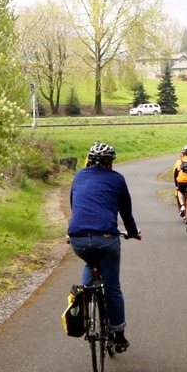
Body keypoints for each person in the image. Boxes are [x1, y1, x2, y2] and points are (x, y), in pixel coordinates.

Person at [68, 142, 142, 351]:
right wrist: (134, 233)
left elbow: (77, 206)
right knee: (112, 287)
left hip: (78, 238)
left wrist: (74, 232)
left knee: (90, 262)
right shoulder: (117, 179)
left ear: (89, 160)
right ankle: (119, 335)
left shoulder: (80, 176)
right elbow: (126, 213)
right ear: (111, 162)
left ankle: (85, 302)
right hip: (107, 238)